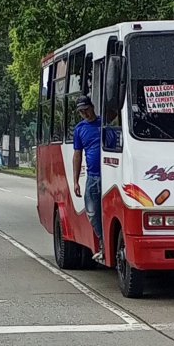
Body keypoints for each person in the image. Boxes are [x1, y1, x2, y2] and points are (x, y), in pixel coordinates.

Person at [73, 95, 103, 259]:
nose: (85, 114)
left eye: (86, 109)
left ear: (92, 107)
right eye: (81, 112)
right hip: (93, 176)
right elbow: (77, 155)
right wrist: (76, 181)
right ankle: (102, 242)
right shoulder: (80, 129)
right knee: (92, 212)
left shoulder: (105, 123)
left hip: (110, 174)